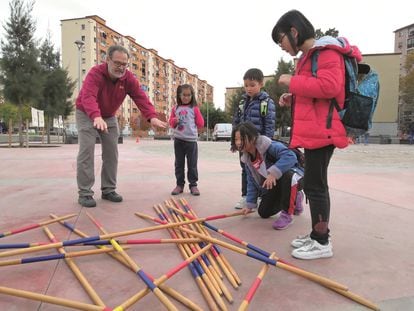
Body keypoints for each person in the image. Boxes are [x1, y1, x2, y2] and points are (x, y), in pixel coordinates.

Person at [272, 10, 362, 259]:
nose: (281, 46)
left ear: (294, 32)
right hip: (315, 129)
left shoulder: (327, 52)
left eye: (281, 39)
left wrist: (292, 82)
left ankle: (322, 242)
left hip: (324, 130)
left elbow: (329, 86)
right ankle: (315, 234)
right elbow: (316, 91)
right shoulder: (310, 56)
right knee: (313, 184)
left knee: (316, 186)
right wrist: (293, 97)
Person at [76, 45, 167, 208]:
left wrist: (151, 117)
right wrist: (95, 116)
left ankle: (108, 190)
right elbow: (88, 97)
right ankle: (85, 193)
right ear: (107, 60)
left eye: (124, 64)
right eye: (117, 63)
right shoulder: (95, 74)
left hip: (109, 116)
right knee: (87, 151)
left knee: (112, 152)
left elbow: (141, 97)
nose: (121, 67)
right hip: (86, 112)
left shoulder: (128, 79)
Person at [231, 122, 303, 230]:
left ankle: (288, 214)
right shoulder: (247, 159)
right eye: (236, 139)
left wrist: (273, 173)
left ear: (252, 137)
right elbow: (251, 182)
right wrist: (250, 205)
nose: (238, 143)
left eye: (241, 139)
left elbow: (290, 156)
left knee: (288, 175)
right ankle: (293, 198)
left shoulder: (269, 146)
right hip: (276, 183)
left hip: (297, 176)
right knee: (264, 212)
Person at [233, 68, 276, 209]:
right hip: (243, 145)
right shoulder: (242, 103)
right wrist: (235, 142)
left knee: (261, 170)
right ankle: (246, 197)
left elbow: (269, 125)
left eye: (252, 85)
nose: (249, 88)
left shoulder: (266, 103)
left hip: (258, 145)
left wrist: (266, 145)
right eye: (246, 85)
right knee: (245, 169)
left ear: (261, 84)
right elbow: (236, 122)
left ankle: (262, 196)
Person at [169, 84, 204, 196]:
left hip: (191, 141)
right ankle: (179, 185)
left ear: (192, 96)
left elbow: (200, 123)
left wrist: (197, 120)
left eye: (189, 95)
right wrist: (175, 120)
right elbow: (170, 122)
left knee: (192, 164)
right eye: (184, 95)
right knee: (179, 164)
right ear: (179, 95)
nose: (186, 97)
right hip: (178, 140)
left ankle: (193, 185)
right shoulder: (175, 108)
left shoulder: (194, 108)